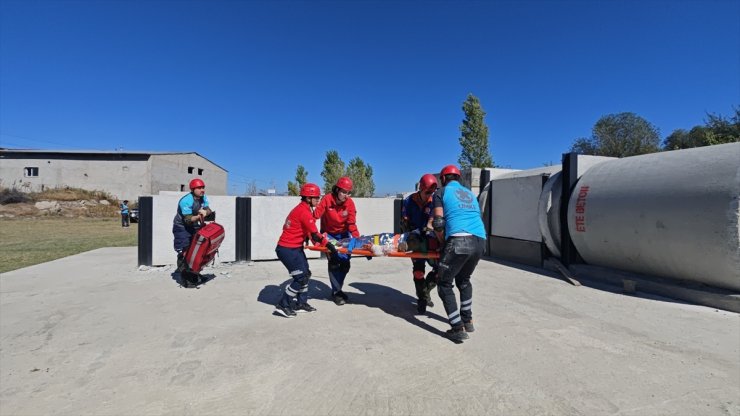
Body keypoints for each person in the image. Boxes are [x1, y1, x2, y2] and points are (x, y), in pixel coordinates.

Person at [432, 165, 487, 343]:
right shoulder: (470, 194)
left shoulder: (441, 193)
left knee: (443, 283)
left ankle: (457, 328)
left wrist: (442, 243)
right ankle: (468, 320)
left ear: (443, 178)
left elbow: (439, 223)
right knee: (464, 280)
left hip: (458, 240)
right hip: (479, 241)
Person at [274, 183, 337, 318]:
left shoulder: (303, 209)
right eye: (316, 197)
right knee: (300, 278)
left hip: (294, 247)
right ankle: (283, 304)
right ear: (308, 198)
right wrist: (329, 246)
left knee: (306, 274)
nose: (318, 200)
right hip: (287, 249)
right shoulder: (303, 211)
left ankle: (301, 303)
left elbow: (306, 231)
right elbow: (314, 234)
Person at [313, 176, 360, 305]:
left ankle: (337, 290)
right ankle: (336, 293)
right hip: (329, 235)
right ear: (337, 189)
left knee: (345, 263)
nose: (346, 195)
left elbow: (352, 224)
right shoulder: (327, 199)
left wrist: (358, 240)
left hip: (344, 235)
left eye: (348, 192)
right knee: (334, 261)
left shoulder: (349, 203)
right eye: (343, 192)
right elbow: (315, 215)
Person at [401, 173, 439, 314]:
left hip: (432, 239)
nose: (430, 194)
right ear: (421, 189)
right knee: (418, 272)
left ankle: (425, 292)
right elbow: (405, 222)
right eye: (427, 192)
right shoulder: (409, 201)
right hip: (416, 240)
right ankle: (422, 299)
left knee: (440, 272)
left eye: (432, 192)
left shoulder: (435, 201)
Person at [172, 178, 213, 288]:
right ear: (193, 189)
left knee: (196, 251)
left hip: (194, 226)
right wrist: (200, 216)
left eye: (203, 187)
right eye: (199, 188)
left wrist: (206, 211)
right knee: (185, 252)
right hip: (182, 228)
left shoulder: (203, 198)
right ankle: (185, 279)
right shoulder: (186, 200)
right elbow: (188, 219)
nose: (202, 190)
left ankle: (195, 275)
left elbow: (209, 210)